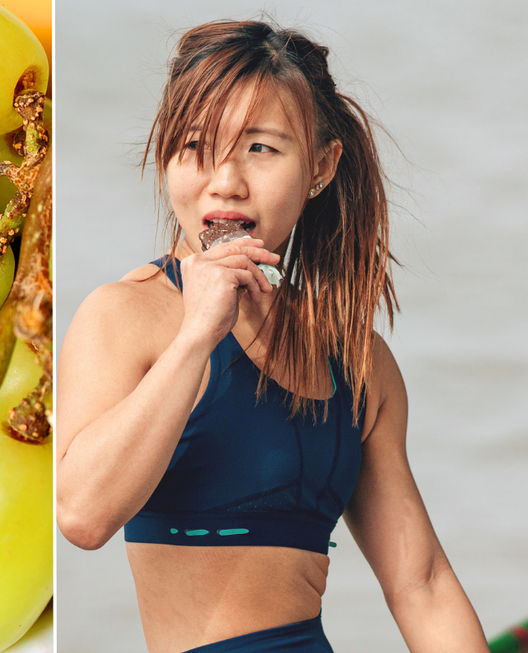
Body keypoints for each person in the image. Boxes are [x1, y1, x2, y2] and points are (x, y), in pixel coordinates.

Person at [55, 20, 490, 653]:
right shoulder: (125, 316)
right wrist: (197, 337)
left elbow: (420, 583)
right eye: (197, 146)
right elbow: (81, 516)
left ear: (320, 165)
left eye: (260, 148)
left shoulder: (356, 359)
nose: (225, 179)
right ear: (166, 158)